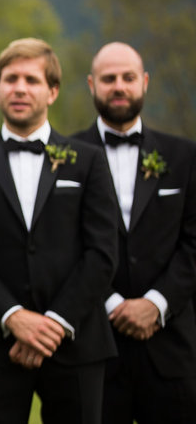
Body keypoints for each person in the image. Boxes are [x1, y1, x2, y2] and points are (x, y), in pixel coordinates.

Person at [0, 37, 119, 424]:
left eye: (32, 80)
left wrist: (55, 323)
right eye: (10, 78)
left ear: (52, 91)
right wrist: (14, 317)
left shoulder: (88, 162)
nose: (19, 88)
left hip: (76, 343)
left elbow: (102, 252)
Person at [71, 42, 196, 423]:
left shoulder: (184, 157)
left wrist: (156, 303)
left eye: (128, 77)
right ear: (92, 85)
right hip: (94, 347)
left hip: (172, 346)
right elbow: (63, 245)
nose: (119, 86)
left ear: (145, 82)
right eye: (109, 79)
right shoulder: (66, 156)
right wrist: (111, 304)